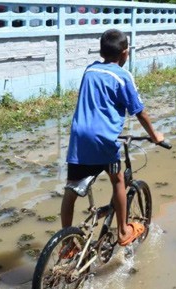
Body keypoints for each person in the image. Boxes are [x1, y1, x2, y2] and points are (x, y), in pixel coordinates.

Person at [61, 28, 164, 246]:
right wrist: (155, 136)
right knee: (118, 181)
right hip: (103, 140)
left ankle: (67, 243)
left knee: (70, 190)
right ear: (125, 53)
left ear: (101, 52)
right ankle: (124, 231)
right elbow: (139, 111)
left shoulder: (90, 71)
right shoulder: (123, 76)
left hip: (79, 139)